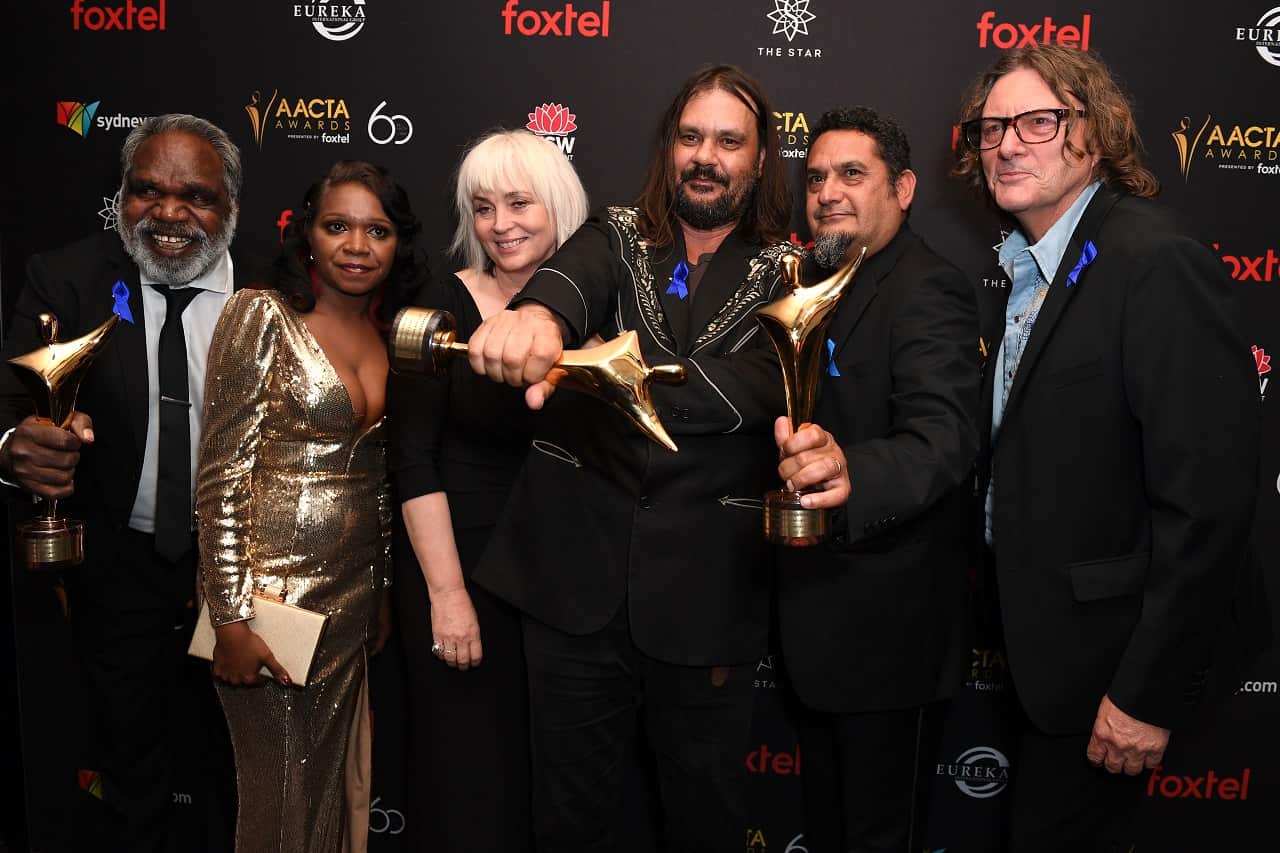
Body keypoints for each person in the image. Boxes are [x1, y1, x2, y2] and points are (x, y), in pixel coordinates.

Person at [465, 63, 793, 853]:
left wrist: (599, 367)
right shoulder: (613, 233)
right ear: (668, 147)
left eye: (728, 141)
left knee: (705, 826)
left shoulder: (792, 271)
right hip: (573, 587)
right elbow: (565, 287)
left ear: (759, 159)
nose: (705, 156)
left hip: (708, 594)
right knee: (566, 823)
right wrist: (540, 321)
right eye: (690, 137)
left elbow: (755, 389)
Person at [953, 45, 1267, 851]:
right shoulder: (1028, 269)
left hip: (1116, 673)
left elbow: (1210, 503)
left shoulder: (1153, 259)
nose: (1007, 145)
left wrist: (1147, 693)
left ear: (1095, 134)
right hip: (1050, 661)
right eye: (991, 129)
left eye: (1037, 122)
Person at [0, 114, 240, 851]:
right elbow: (10, 408)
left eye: (195, 196)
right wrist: (15, 447)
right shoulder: (66, 278)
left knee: (239, 772)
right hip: (117, 573)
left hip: (241, 576)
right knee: (129, 774)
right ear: (122, 195)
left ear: (230, 207)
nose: (168, 213)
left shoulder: (273, 289)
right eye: (146, 191)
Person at [197, 160, 422, 852]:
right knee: (280, 804)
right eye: (337, 226)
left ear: (399, 244)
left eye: (377, 230)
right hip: (271, 609)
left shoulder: (391, 336)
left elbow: (378, 482)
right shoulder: (262, 315)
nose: (357, 246)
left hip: (350, 606)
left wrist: (381, 593)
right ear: (308, 236)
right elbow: (220, 476)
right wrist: (230, 618)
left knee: (327, 797)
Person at [773, 106, 980, 852]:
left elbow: (944, 438)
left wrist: (849, 469)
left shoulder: (929, 287)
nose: (828, 192)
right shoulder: (815, 282)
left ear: (904, 188)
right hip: (813, 629)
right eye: (815, 178)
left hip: (892, 641)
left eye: (852, 174)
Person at [386, 128, 588, 853]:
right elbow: (412, 460)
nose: (500, 224)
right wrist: (447, 596)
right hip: (461, 572)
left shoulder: (596, 309)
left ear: (559, 205)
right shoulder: (438, 307)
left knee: (559, 790)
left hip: (562, 587)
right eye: (483, 208)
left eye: (519, 203)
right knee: (469, 785)